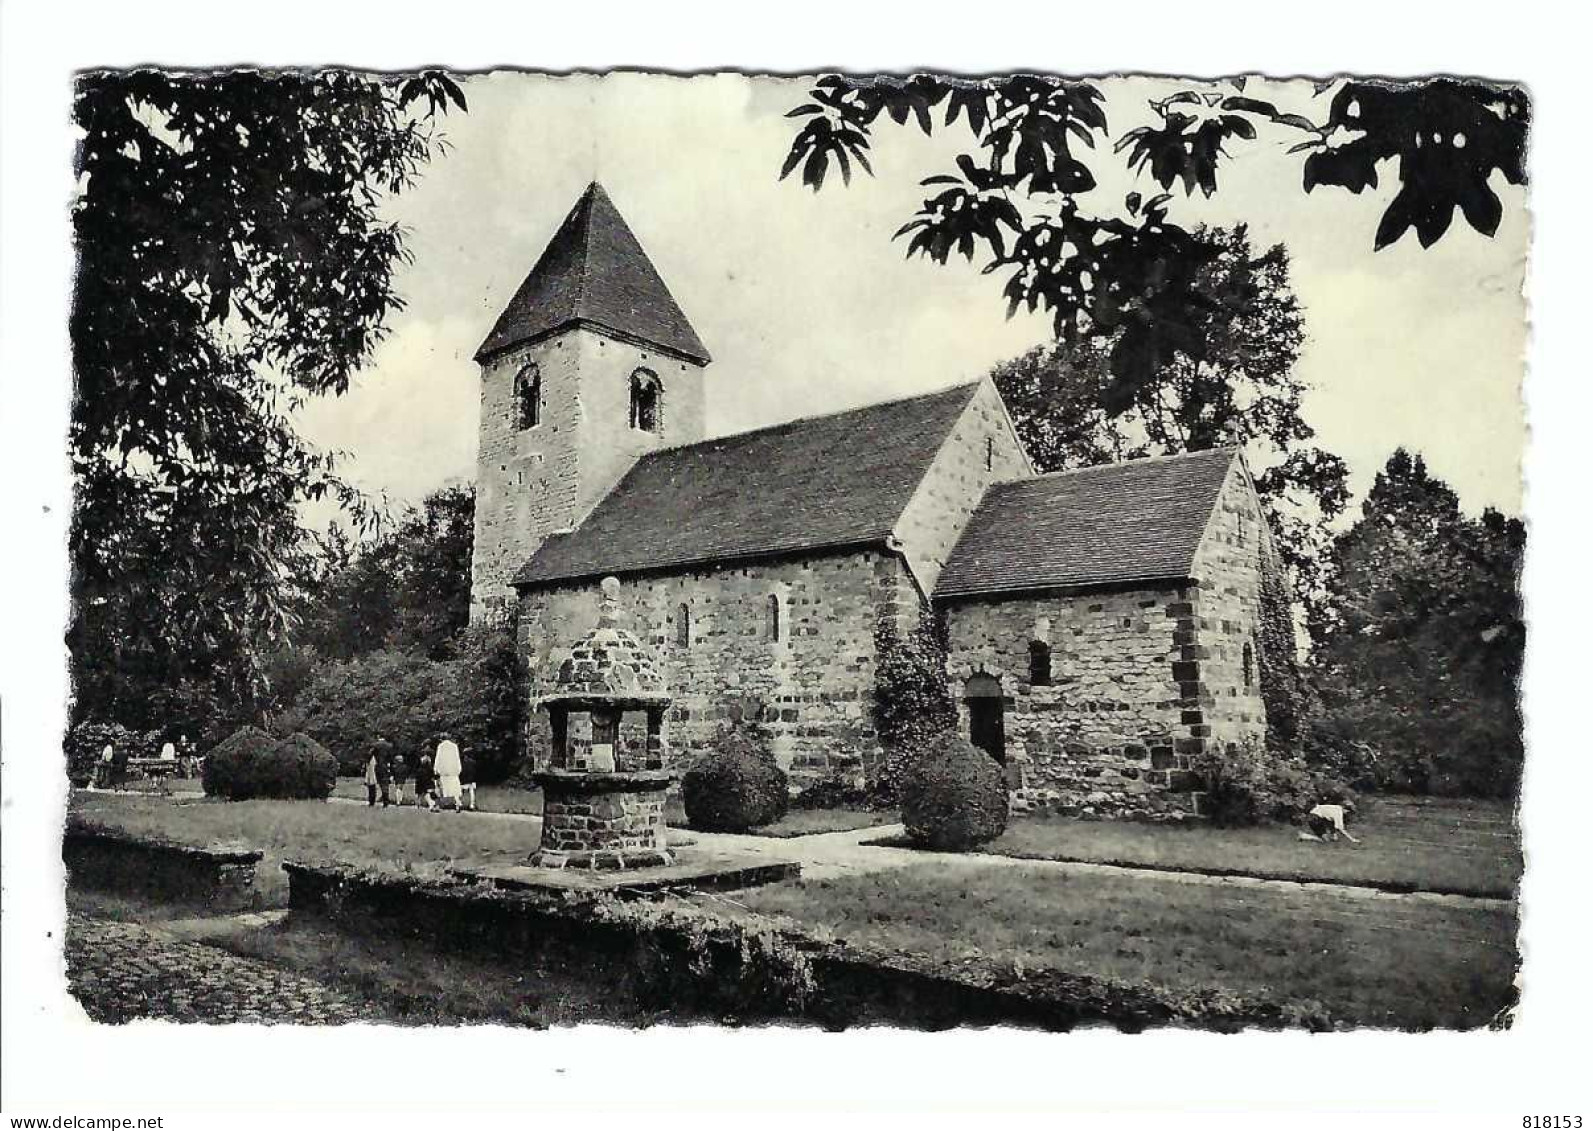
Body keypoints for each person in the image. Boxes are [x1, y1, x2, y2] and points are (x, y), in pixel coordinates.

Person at [433, 736, 463, 812]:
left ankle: (438, 805)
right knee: (455, 789)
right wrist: (458, 769)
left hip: (443, 771)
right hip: (453, 771)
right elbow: (457, 758)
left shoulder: (440, 746)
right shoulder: (454, 746)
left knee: (441, 788)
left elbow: (438, 758)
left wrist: (436, 769)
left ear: (441, 739)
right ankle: (458, 803)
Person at [374, 739, 394, 807]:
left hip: (378, 766)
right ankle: (386, 800)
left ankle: (383, 797)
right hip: (386, 767)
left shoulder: (376, 745)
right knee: (385, 784)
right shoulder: (389, 746)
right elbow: (391, 759)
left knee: (380, 783)